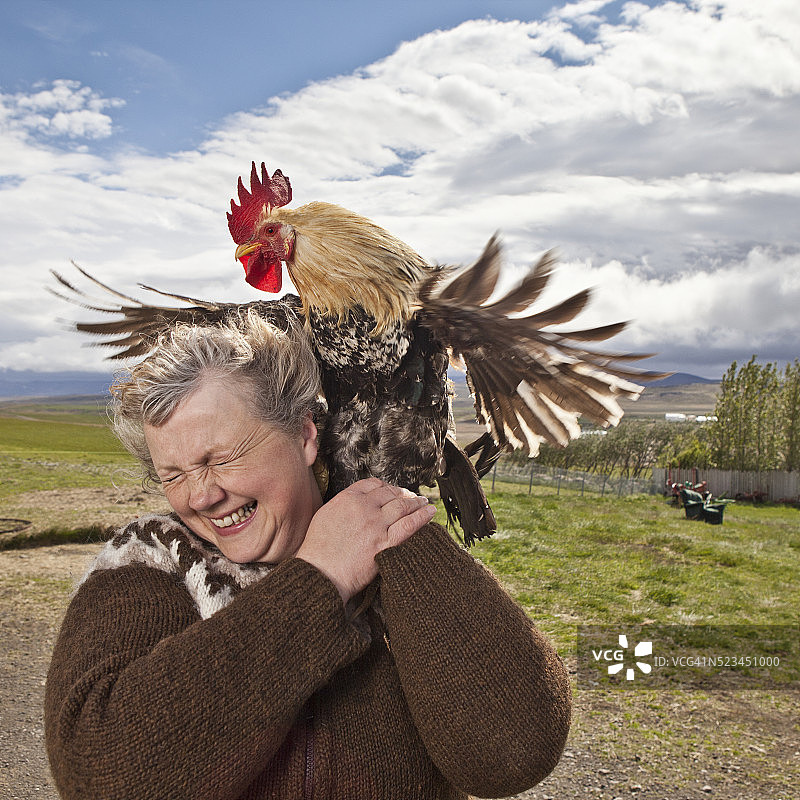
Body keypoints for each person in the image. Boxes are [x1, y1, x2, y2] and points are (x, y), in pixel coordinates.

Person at [45, 310, 571, 800]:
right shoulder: (149, 562)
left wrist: (391, 528)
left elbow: (512, 754)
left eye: (221, 458)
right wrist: (320, 578)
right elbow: (96, 774)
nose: (200, 497)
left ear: (303, 435)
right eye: (174, 475)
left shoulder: (396, 545)